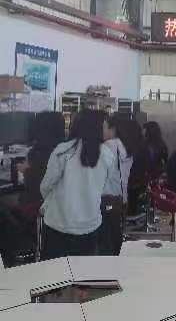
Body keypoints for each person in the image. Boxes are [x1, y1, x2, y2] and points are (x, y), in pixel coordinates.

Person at [40, 110, 118, 259]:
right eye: (104, 126)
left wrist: (50, 202)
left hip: (59, 222)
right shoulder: (107, 155)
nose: (106, 130)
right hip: (89, 224)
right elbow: (104, 188)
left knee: (52, 270)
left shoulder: (63, 150)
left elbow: (46, 185)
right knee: (82, 269)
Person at [98, 114, 141, 255]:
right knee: (115, 234)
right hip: (120, 197)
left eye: (104, 127)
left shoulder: (108, 146)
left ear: (113, 129)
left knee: (106, 238)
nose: (102, 131)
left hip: (106, 197)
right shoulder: (127, 146)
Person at [19, 112, 65, 206]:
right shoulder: (66, 150)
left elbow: (36, 187)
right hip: (62, 205)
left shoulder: (36, 153)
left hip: (42, 206)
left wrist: (25, 171)